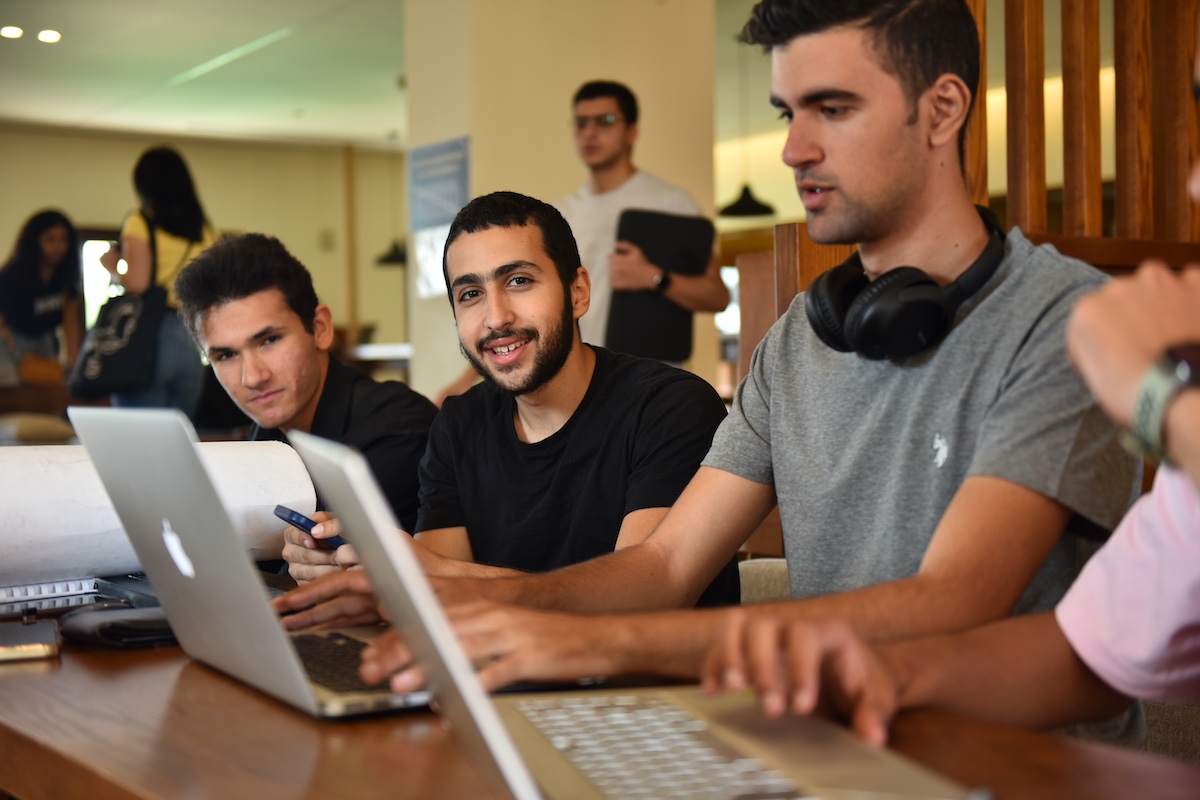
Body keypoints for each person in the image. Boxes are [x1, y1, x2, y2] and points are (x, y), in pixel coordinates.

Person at [289, 0, 1141, 742]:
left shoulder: (1068, 322)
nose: (794, 150)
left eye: (832, 109)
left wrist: (585, 642)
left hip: (1015, 765)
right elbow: (661, 570)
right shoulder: (797, 345)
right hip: (835, 749)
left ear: (943, 108)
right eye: (785, 114)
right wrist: (434, 595)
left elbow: (952, 602)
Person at [695, 264, 1200, 746]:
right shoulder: (792, 339)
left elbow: (961, 597)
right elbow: (1096, 654)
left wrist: (1158, 394)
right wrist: (878, 677)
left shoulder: (1054, 313)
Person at [280, 191, 739, 604]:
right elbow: (442, 599)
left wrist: (429, 573)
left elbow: (641, 601)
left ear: (578, 292)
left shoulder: (670, 409)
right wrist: (350, 573)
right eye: (471, 294)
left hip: (651, 693)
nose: (495, 317)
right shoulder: (459, 425)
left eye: (518, 281)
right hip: (505, 684)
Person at [434, 80, 731, 403]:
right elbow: (518, 314)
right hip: (580, 385)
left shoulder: (671, 202)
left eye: (604, 122)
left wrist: (652, 277)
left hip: (647, 381)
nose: (590, 133)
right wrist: (466, 381)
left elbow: (717, 295)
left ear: (632, 131)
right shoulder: (561, 214)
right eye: (581, 123)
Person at [173, 233, 438, 564]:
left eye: (269, 340)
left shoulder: (397, 430)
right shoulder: (270, 431)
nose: (252, 377)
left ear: (321, 328)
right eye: (226, 355)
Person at [99, 146, 218, 417]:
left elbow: (138, 283)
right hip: (191, 339)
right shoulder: (204, 228)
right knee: (178, 436)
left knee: (139, 438)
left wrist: (112, 268)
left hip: (149, 337)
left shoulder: (140, 221)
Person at [0, 209, 83, 384]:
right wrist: (14, 351)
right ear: (35, 241)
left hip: (44, 341)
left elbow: (70, 322)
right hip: (10, 341)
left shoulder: (66, 278)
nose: (58, 246)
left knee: (49, 391)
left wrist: (76, 365)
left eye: (63, 239)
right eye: (50, 239)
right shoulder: (12, 275)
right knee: (10, 389)